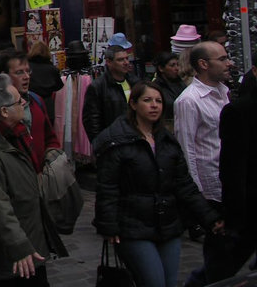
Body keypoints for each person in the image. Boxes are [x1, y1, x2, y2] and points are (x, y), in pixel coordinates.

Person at [94, 81, 221, 287]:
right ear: (133, 104)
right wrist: (109, 226)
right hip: (133, 226)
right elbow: (108, 187)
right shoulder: (117, 141)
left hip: (167, 225)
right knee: (153, 281)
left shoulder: (167, 141)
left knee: (170, 282)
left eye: (158, 101)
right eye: (147, 100)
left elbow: (184, 185)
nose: (154, 105)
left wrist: (209, 218)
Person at [0, 74, 66, 286]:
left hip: (28, 244)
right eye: (19, 101)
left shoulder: (12, 134)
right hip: (9, 258)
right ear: (3, 111)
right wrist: (18, 245)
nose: (24, 104)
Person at [174, 41, 232, 287]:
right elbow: (186, 149)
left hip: (230, 182)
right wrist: (198, 199)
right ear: (204, 64)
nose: (229, 63)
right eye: (223, 58)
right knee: (218, 253)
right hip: (211, 190)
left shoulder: (224, 92)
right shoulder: (188, 101)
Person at [217, 49, 257, 283]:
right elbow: (232, 168)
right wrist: (233, 216)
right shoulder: (239, 111)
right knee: (225, 267)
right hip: (250, 207)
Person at [0, 51, 61, 172]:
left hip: (39, 176)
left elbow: (50, 137)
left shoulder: (37, 101)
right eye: (19, 72)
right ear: (4, 76)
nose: (26, 76)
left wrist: (52, 157)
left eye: (28, 71)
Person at [82, 33, 138, 142]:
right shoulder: (98, 87)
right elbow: (92, 121)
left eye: (127, 59)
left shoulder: (134, 82)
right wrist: (101, 144)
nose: (126, 63)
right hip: (113, 142)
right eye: (121, 60)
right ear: (109, 62)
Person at [27, 40, 63, 123]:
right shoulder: (53, 69)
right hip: (48, 104)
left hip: (31, 102)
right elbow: (59, 86)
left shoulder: (27, 67)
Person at [151, 52, 184, 133]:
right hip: (166, 128)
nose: (176, 68)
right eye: (172, 65)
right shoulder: (155, 88)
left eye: (177, 65)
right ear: (161, 68)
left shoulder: (181, 84)